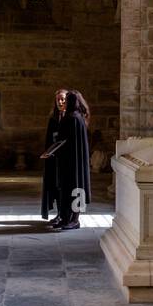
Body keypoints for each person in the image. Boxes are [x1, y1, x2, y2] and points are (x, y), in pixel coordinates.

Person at [55, 89, 91, 231]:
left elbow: (65, 141)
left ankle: (74, 220)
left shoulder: (73, 118)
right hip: (72, 160)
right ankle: (65, 218)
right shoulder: (76, 117)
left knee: (75, 189)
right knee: (68, 189)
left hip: (72, 161)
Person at [40, 88, 67, 227]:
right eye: (58, 100)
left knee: (64, 187)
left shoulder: (71, 118)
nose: (60, 102)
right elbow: (49, 139)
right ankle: (59, 213)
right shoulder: (53, 119)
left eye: (63, 99)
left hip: (66, 160)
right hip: (54, 159)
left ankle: (65, 214)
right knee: (55, 187)